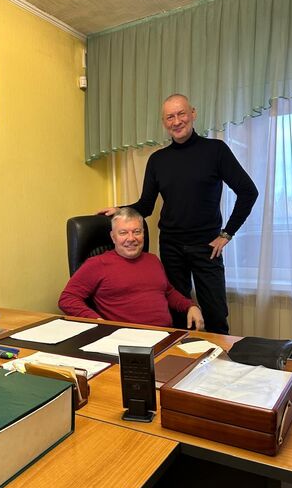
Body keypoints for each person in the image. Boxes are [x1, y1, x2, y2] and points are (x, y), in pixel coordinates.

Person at [99, 93, 258, 334]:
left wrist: (227, 234)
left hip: (207, 247)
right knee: (177, 314)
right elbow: (146, 205)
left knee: (215, 314)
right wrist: (121, 209)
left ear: (193, 114)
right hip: (171, 247)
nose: (176, 121)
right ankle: (179, 357)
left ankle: (218, 358)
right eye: (170, 117)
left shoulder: (215, 150)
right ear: (164, 122)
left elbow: (248, 192)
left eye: (181, 114)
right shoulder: (158, 160)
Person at [59, 208, 204, 330]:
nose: (131, 238)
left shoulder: (153, 260)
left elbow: (168, 292)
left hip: (166, 335)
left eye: (137, 232)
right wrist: (98, 322)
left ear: (143, 234)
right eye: (123, 233)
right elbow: (67, 299)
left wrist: (191, 306)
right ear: (113, 237)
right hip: (127, 340)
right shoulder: (97, 264)